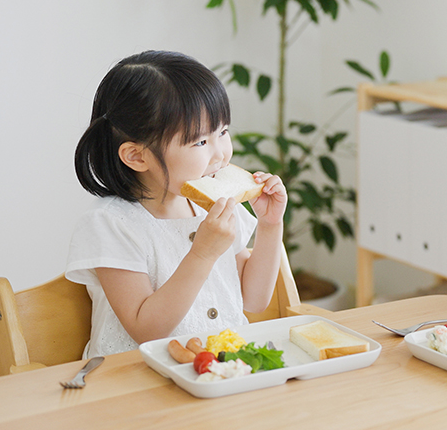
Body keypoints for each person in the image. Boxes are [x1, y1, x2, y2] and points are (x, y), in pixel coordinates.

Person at [66, 50, 287, 357]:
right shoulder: (111, 225)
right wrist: (202, 253)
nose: (221, 153)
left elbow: (254, 299)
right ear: (137, 156)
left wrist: (270, 224)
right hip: (135, 383)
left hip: (221, 371)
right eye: (200, 141)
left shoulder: (214, 207)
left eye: (222, 132)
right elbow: (146, 330)